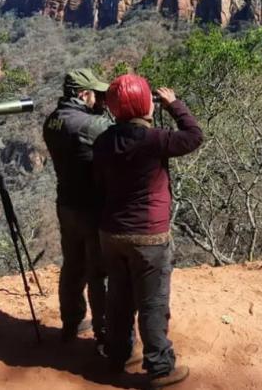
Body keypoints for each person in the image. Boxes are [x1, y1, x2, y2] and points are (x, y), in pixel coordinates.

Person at [93, 74, 202, 388]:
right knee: (153, 303)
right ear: (145, 104)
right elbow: (194, 136)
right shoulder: (154, 140)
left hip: (111, 234)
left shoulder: (103, 142)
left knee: (119, 298)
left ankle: (117, 355)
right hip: (149, 236)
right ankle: (160, 368)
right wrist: (174, 105)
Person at [43, 69, 111, 347]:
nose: (99, 99)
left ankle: (71, 322)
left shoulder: (52, 121)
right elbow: (117, 136)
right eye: (96, 94)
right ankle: (103, 331)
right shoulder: (89, 125)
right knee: (98, 272)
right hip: (91, 207)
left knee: (72, 266)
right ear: (84, 94)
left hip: (66, 204)